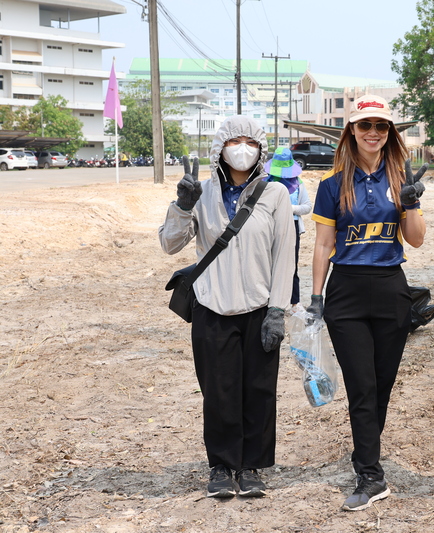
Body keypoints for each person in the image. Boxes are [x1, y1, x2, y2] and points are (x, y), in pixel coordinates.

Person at [158, 116, 295, 499]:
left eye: (249, 141)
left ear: (261, 149)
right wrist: (182, 207)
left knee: (259, 389)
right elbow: (170, 245)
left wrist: (278, 310)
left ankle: (251, 466)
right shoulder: (200, 192)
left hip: (259, 307)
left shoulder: (276, 195)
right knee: (218, 391)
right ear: (219, 147)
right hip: (211, 306)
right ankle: (221, 465)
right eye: (233, 140)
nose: (242, 148)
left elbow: (285, 255)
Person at [307, 94, 427, 512]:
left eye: (381, 126)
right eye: (365, 126)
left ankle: (367, 456)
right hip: (347, 292)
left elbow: (415, 239)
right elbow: (323, 244)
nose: (373, 133)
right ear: (351, 132)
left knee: (381, 385)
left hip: (392, 288)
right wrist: (316, 297)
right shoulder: (330, 186)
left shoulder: (401, 181)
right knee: (361, 385)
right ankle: (370, 475)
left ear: (389, 133)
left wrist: (411, 202)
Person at [265, 147, 312, 309]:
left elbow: (306, 207)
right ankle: (269, 300)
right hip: (269, 227)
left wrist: (290, 208)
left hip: (292, 226)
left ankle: (294, 302)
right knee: (268, 264)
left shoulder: (298, 184)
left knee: (291, 264)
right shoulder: (266, 183)